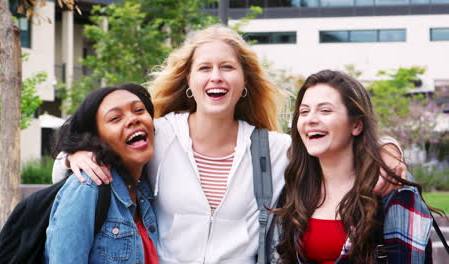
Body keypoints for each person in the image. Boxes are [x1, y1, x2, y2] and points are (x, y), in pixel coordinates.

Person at [52, 25, 406, 263]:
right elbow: (89, 140)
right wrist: (74, 154)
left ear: (244, 82)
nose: (216, 76)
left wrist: (389, 149)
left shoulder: (275, 149)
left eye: (227, 68)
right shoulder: (158, 135)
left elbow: (340, 142)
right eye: (204, 68)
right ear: (189, 81)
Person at [267, 70, 435, 263]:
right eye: (304, 112)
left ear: (356, 125)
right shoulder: (295, 184)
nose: (311, 119)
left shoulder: (390, 184)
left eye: (325, 110)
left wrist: (388, 149)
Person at [45, 84, 159, 264]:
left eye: (139, 110)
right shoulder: (87, 188)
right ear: (96, 138)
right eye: (115, 118)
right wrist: (69, 156)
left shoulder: (146, 187)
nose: (132, 119)